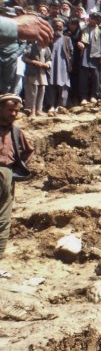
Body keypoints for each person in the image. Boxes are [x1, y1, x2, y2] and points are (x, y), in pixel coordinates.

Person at [0, 94, 34, 268]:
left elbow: (28, 150)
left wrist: (18, 167)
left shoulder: (16, 131)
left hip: (6, 175)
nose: (13, 113)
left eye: (16, 111)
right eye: (10, 110)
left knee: (4, 218)